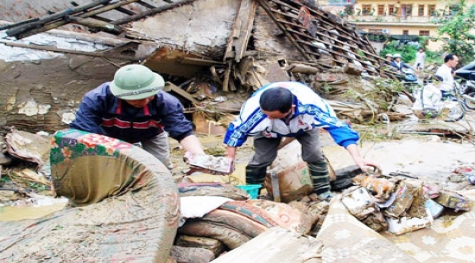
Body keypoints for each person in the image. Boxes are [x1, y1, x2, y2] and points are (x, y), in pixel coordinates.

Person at [224, 82, 379, 202]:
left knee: (314, 154)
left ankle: (324, 192)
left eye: (274, 116)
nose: (269, 117)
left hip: (304, 126)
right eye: (266, 114)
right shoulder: (254, 111)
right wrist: (229, 159)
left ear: (291, 108)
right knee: (261, 159)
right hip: (267, 132)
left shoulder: (312, 106)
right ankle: (253, 195)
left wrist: (358, 159)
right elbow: (236, 132)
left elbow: (340, 130)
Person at [70, 64, 205, 169]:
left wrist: (200, 158)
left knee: (160, 166)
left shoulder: (166, 102)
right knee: (108, 166)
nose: (145, 101)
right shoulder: (97, 98)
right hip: (108, 136)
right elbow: (82, 133)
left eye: (149, 97)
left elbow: (183, 132)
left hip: (151, 134)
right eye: (137, 99)